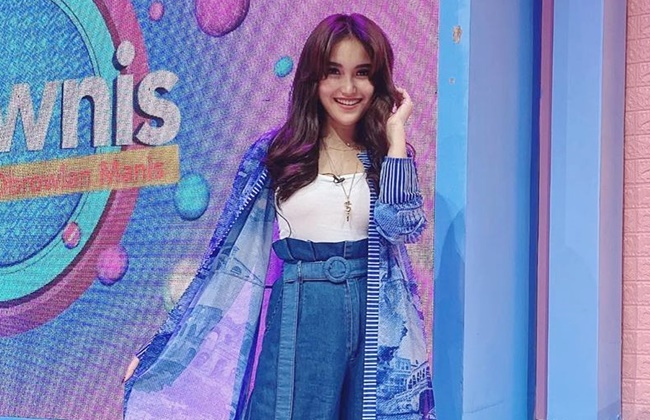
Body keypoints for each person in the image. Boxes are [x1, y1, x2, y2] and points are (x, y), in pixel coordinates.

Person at [123, 13, 434, 420]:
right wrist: (166, 344)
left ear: (379, 82)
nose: (348, 88)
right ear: (312, 79)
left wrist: (395, 138)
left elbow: (404, 225)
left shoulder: (386, 156)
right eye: (333, 72)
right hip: (302, 307)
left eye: (362, 73)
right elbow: (224, 259)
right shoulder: (277, 153)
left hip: (372, 311)